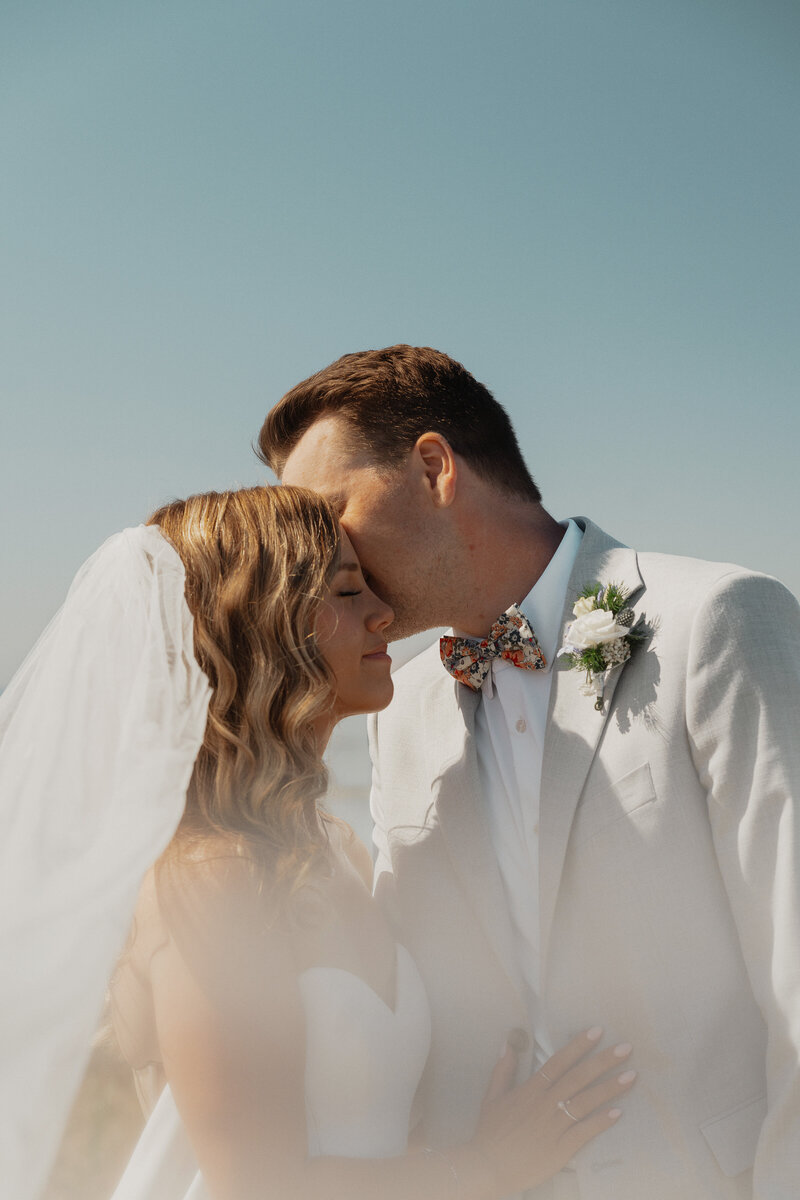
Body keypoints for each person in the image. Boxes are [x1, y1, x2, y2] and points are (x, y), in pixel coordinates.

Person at [261, 345, 800, 1200]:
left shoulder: (718, 622)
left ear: (434, 467)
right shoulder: (399, 708)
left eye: (333, 513)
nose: (328, 557)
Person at [104, 485, 635, 1200]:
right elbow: (256, 1184)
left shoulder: (334, 847)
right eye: (350, 591)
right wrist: (487, 1167)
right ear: (259, 625)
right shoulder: (213, 875)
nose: (386, 614)